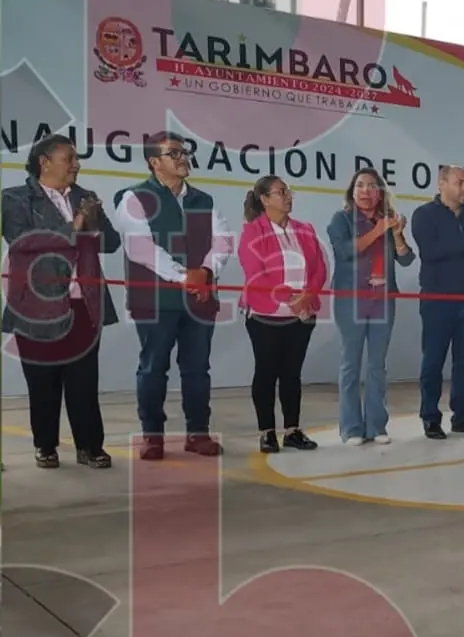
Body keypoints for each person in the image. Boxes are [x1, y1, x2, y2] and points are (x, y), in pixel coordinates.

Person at [112, 131, 233, 460]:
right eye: (174, 153)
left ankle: (198, 433)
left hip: (200, 299)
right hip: (154, 301)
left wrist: (205, 273)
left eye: (185, 152)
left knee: (197, 370)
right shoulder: (134, 199)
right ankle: (153, 436)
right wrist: (184, 276)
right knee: (153, 368)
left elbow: (222, 241)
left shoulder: (204, 200)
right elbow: (140, 248)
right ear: (155, 162)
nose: (183, 158)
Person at [1, 134, 120, 469]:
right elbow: (23, 241)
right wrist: (75, 225)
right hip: (36, 308)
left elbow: (111, 243)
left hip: (84, 305)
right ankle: (46, 445)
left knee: (84, 381)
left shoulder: (87, 197)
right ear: (45, 162)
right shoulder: (14, 198)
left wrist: (95, 224)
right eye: (69, 158)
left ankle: (90, 446)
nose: (76, 164)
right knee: (43, 382)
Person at [237, 175, 325, 453]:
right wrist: (290, 297)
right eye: (280, 192)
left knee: (292, 374)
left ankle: (292, 430)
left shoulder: (306, 229)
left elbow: (320, 267)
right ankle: (266, 432)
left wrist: (308, 295)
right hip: (266, 315)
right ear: (264, 199)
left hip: (301, 315)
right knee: (266, 373)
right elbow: (256, 273)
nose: (288, 197)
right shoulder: (253, 231)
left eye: (288, 192)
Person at [410, 165, 464, 439]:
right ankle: (430, 418)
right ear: (442, 184)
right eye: (459, 182)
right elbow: (431, 252)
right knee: (433, 361)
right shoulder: (424, 215)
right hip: (438, 301)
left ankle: (462, 416)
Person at [327, 168, 414, 445]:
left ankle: (376, 426)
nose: (365, 191)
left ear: (380, 193)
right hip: (350, 300)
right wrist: (379, 230)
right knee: (350, 364)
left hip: (382, 300)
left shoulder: (388, 222)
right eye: (360, 185)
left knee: (377, 365)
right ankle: (351, 428)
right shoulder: (341, 220)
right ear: (352, 192)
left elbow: (406, 259)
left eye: (371, 186)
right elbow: (346, 251)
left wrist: (398, 234)